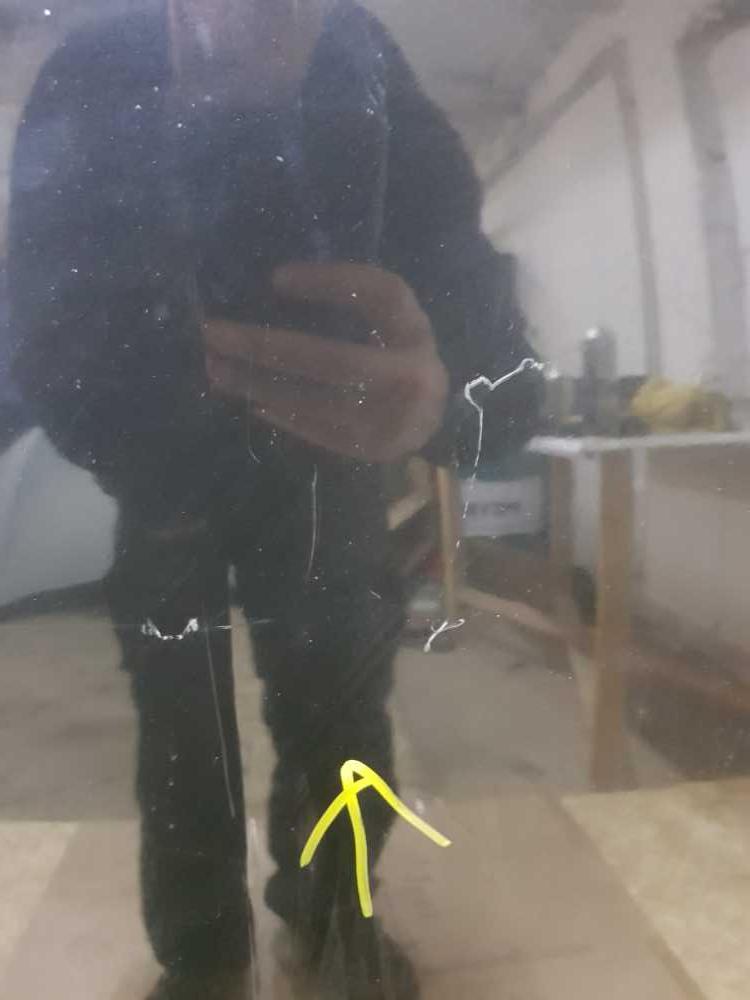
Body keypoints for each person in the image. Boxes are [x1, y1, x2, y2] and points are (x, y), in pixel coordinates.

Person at [8, 1, 541, 997]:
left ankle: (329, 912)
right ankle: (205, 951)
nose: (255, 19)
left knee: (337, 705)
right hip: (166, 467)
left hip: (322, 459)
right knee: (181, 722)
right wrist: (133, 422)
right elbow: (35, 315)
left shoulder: (360, 56)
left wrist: (445, 384)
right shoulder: (94, 67)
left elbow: (482, 317)